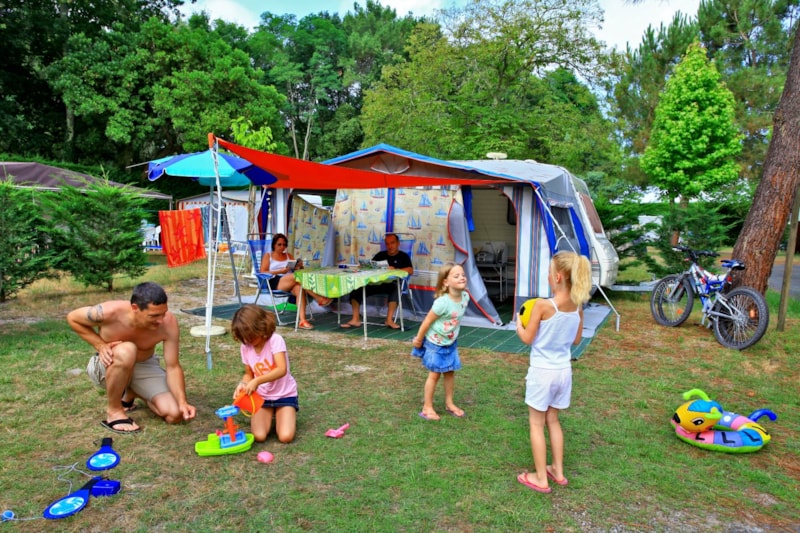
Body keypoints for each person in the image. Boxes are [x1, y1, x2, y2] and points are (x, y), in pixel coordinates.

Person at [66, 282, 197, 434]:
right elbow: (73, 318)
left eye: (163, 313)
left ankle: (132, 392)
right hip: (109, 365)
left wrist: (182, 402)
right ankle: (114, 411)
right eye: (154, 315)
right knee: (127, 350)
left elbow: (173, 366)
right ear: (135, 308)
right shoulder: (108, 312)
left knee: (175, 414)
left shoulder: (168, 322)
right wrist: (100, 345)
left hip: (144, 366)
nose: (161, 320)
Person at [514, 251, 591, 494]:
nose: (548, 276)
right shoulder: (577, 307)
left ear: (557, 277)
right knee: (553, 420)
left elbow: (527, 339)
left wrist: (518, 323)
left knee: (536, 424)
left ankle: (540, 478)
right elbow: (577, 338)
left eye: (549, 272)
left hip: (542, 373)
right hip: (563, 373)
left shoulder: (542, 306)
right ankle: (557, 470)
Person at [230, 304, 298, 443]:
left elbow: (281, 369)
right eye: (244, 338)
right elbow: (248, 373)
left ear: (261, 328)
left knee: (286, 437)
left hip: (284, 394)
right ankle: (271, 414)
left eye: (251, 337)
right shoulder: (245, 347)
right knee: (259, 436)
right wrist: (244, 383)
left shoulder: (275, 340)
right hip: (262, 398)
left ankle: (281, 412)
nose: (248, 341)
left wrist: (257, 381)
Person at [411, 263, 469, 421]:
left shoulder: (465, 297)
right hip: (434, 343)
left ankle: (449, 403)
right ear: (445, 282)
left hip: (450, 342)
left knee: (450, 372)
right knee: (435, 374)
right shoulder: (442, 303)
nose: (462, 277)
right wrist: (418, 339)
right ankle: (427, 408)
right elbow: (427, 321)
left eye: (462, 275)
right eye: (456, 276)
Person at [260, 233, 332, 330]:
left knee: (299, 288)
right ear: (274, 245)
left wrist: (299, 266)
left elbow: (297, 270)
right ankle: (318, 298)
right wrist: (280, 271)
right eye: (279, 244)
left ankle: (302, 321)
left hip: (291, 280)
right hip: (274, 281)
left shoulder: (288, 255)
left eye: (284, 245)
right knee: (296, 277)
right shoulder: (268, 256)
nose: (282, 247)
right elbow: (262, 272)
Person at [341, 233, 413, 330]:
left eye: (392, 243)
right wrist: (364, 266)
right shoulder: (381, 255)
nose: (390, 246)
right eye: (387, 244)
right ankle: (355, 319)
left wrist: (395, 269)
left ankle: (389, 320)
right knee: (357, 288)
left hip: (391, 284)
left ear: (398, 243)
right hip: (376, 283)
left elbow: (410, 270)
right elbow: (371, 266)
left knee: (396, 288)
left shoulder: (403, 256)